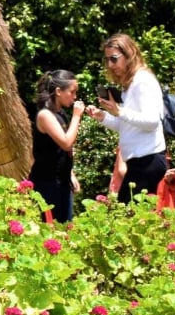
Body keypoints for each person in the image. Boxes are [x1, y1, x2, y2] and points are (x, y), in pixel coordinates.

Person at [87, 33, 167, 202]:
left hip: (148, 160)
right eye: (107, 60)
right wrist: (103, 116)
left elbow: (152, 122)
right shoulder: (129, 85)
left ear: (129, 55)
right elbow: (125, 125)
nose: (110, 65)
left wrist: (120, 112)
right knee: (130, 218)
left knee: (125, 216)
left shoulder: (142, 81)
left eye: (114, 59)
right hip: (139, 162)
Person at [30, 70, 86, 223]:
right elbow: (66, 142)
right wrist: (76, 116)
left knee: (66, 226)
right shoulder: (45, 115)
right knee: (51, 228)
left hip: (62, 181)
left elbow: (65, 150)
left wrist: (71, 173)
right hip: (47, 183)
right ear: (58, 91)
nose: (74, 97)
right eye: (72, 92)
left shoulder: (61, 114)